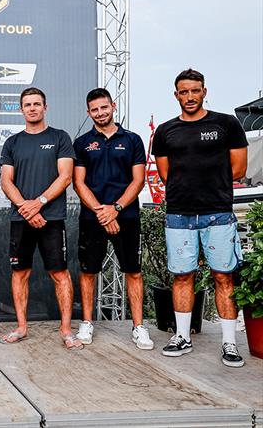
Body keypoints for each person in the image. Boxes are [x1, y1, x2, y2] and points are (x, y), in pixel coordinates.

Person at [152, 68, 248, 367]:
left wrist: (209, 187)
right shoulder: (166, 131)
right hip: (179, 214)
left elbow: (239, 169)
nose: (190, 96)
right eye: (184, 91)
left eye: (195, 90)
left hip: (218, 213)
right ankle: (182, 336)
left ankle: (229, 343)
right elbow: (166, 174)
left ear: (204, 91)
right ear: (176, 94)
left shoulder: (226, 124)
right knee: (182, 276)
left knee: (223, 277)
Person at [0, 87, 81, 350]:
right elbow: (5, 181)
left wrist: (39, 204)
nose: (32, 108)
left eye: (37, 104)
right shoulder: (12, 142)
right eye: (27, 104)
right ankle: (22, 327)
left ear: (45, 107)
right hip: (21, 218)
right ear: (21, 109)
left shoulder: (60, 137)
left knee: (60, 274)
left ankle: (66, 330)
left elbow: (65, 177)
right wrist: (26, 207)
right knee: (19, 273)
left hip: (52, 219)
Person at [72, 88, 153, 349]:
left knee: (134, 271)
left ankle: (139, 327)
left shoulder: (132, 140)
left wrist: (115, 209)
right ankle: (86, 323)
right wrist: (101, 211)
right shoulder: (82, 142)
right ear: (88, 112)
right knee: (88, 272)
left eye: (104, 107)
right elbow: (78, 183)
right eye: (94, 109)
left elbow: (138, 180)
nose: (100, 113)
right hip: (92, 217)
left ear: (113, 106)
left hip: (126, 215)